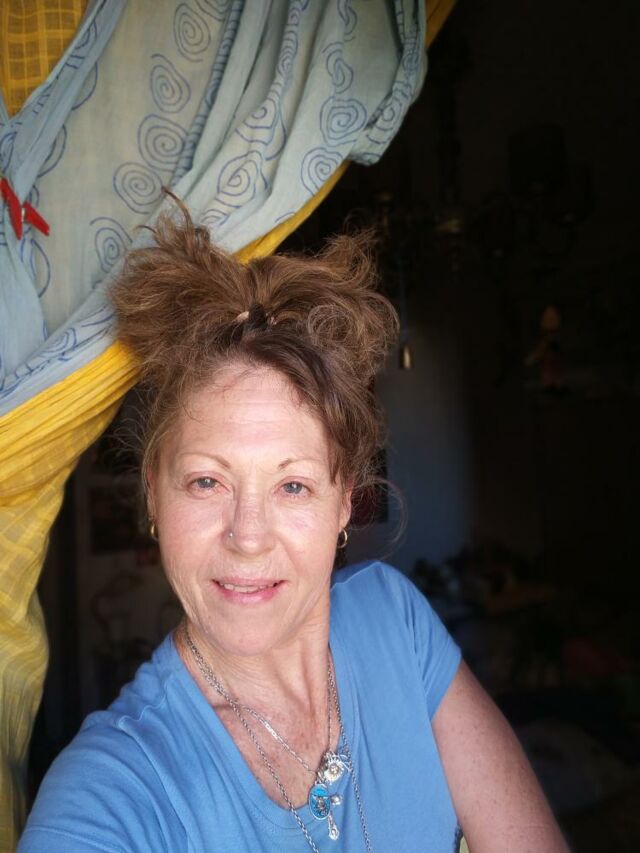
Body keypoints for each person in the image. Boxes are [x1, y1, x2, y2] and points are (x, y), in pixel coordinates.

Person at [19, 202, 568, 853]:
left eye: (293, 485)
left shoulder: (394, 618)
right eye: (207, 481)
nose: (248, 537)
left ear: (344, 503)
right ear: (153, 496)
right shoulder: (109, 793)